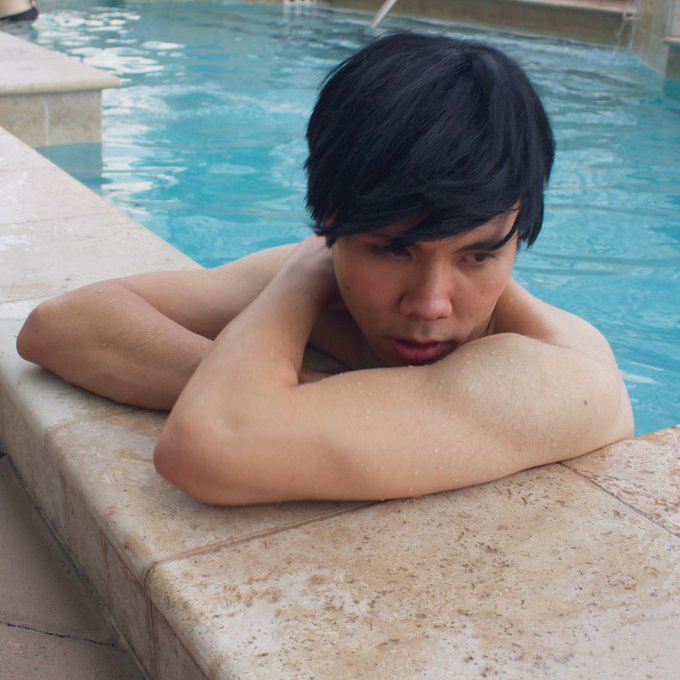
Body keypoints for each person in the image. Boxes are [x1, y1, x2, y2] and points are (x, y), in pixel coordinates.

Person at [17, 33, 633, 505]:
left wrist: (285, 392)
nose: (429, 304)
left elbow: (211, 445)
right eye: (392, 250)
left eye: (479, 256)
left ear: (517, 234)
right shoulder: (321, 273)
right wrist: (301, 308)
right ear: (330, 228)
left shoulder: (555, 373)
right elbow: (59, 325)